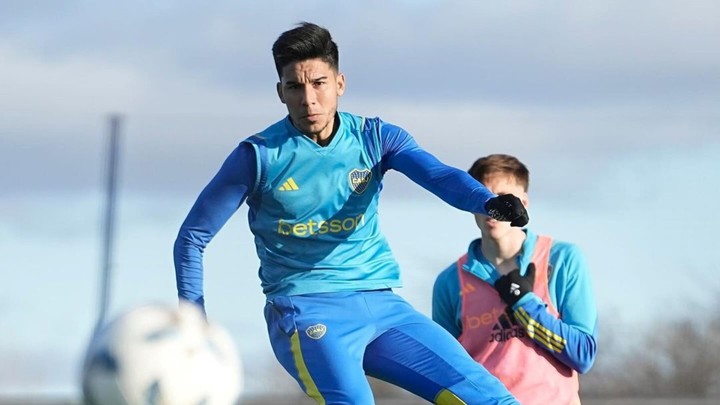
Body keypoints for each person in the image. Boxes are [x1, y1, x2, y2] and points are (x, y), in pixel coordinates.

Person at [174, 22, 529, 405]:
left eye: (319, 83)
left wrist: (486, 201)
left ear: (339, 83)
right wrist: (193, 324)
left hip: (383, 305)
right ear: (280, 92)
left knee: (491, 398)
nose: (309, 99)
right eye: (295, 86)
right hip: (305, 310)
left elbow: (438, 175)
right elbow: (192, 238)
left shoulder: (376, 138)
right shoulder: (257, 156)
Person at [432, 154, 598, 405]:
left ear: (524, 202)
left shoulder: (563, 259)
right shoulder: (449, 282)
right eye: (482, 196)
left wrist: (524, 304)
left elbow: (583, 354)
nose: (492, 206)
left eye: (503, 197)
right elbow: (445, 373)